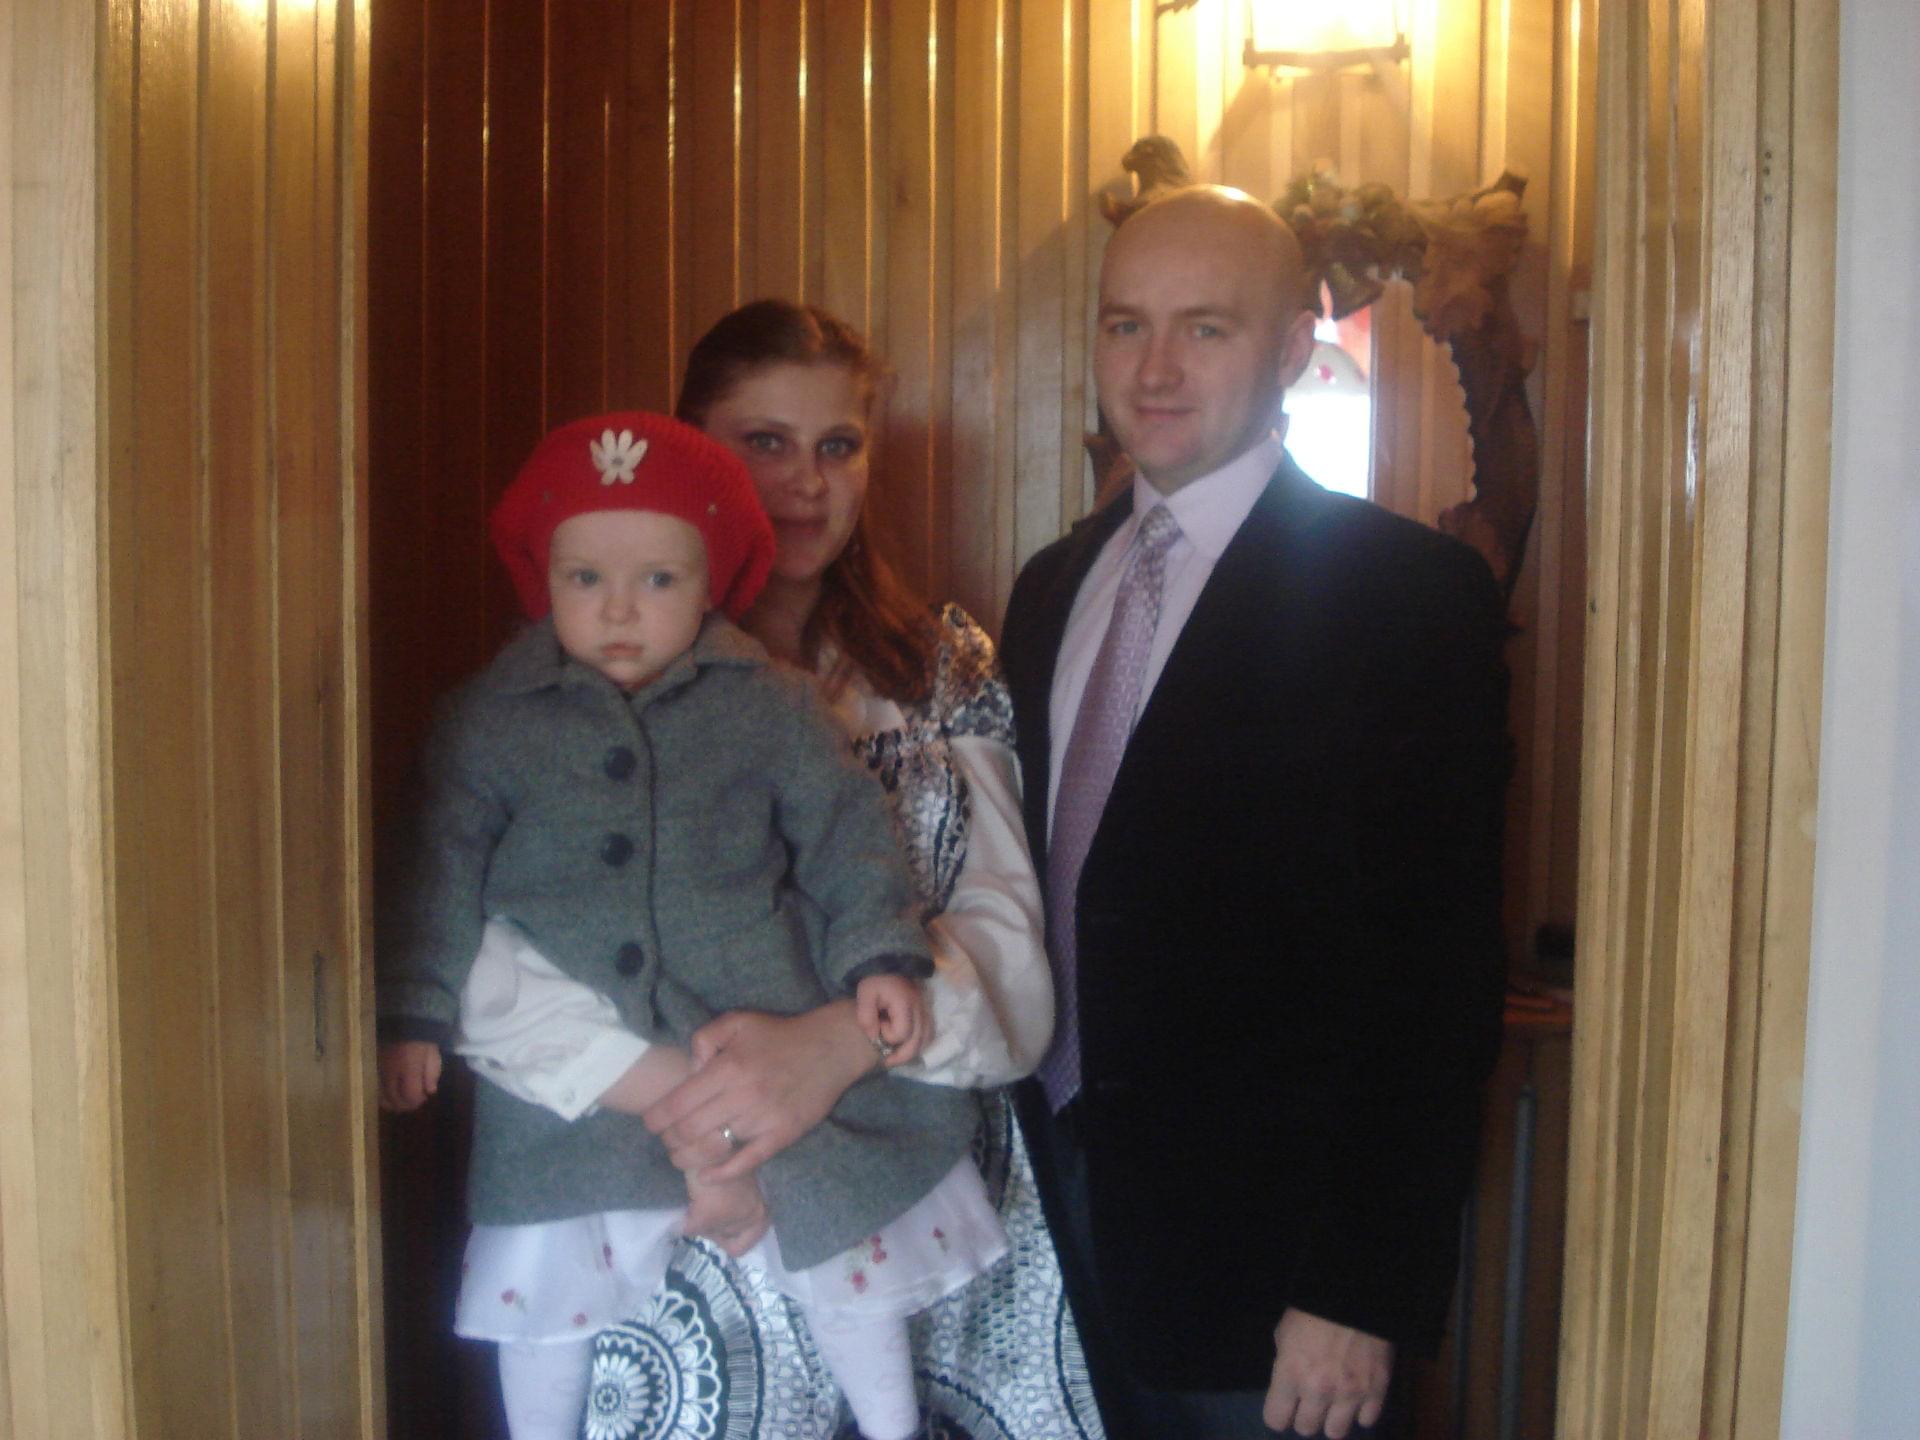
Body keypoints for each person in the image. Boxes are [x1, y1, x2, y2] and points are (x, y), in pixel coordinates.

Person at [456, 302, 1100, 1440]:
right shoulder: (579, 685)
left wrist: (840, 1044)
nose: (806, 482)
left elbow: (1013, 956)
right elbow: (487, 957)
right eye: (765, 442)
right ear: (692, 459)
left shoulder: (937, 665)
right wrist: (685, 1095)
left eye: (837, 445)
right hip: (659, 1209)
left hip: (905, 1196)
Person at [376, 410, 1010, 1440]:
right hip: (581, 1085)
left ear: (712, 580)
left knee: (842, 1248)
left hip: (755, 1018)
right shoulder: (489, 721)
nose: (618, 609)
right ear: (544, 578)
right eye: (585, 578)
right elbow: (437, 870)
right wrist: (416, 1007)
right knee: (545, 1271)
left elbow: (846, 836)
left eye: (659, 580)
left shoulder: (769, 705)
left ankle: (891, 1426)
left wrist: (878, 955)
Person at [997, 186, 1511, 1440]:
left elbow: (1435, 978)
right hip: (1045, 1230)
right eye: (1126, 325)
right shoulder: (1051, 587)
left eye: (1206, 329)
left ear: (1290, 349)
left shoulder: (1409, 598)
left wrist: (1359, 1290)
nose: (1155, 369)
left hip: (1273, 1288)